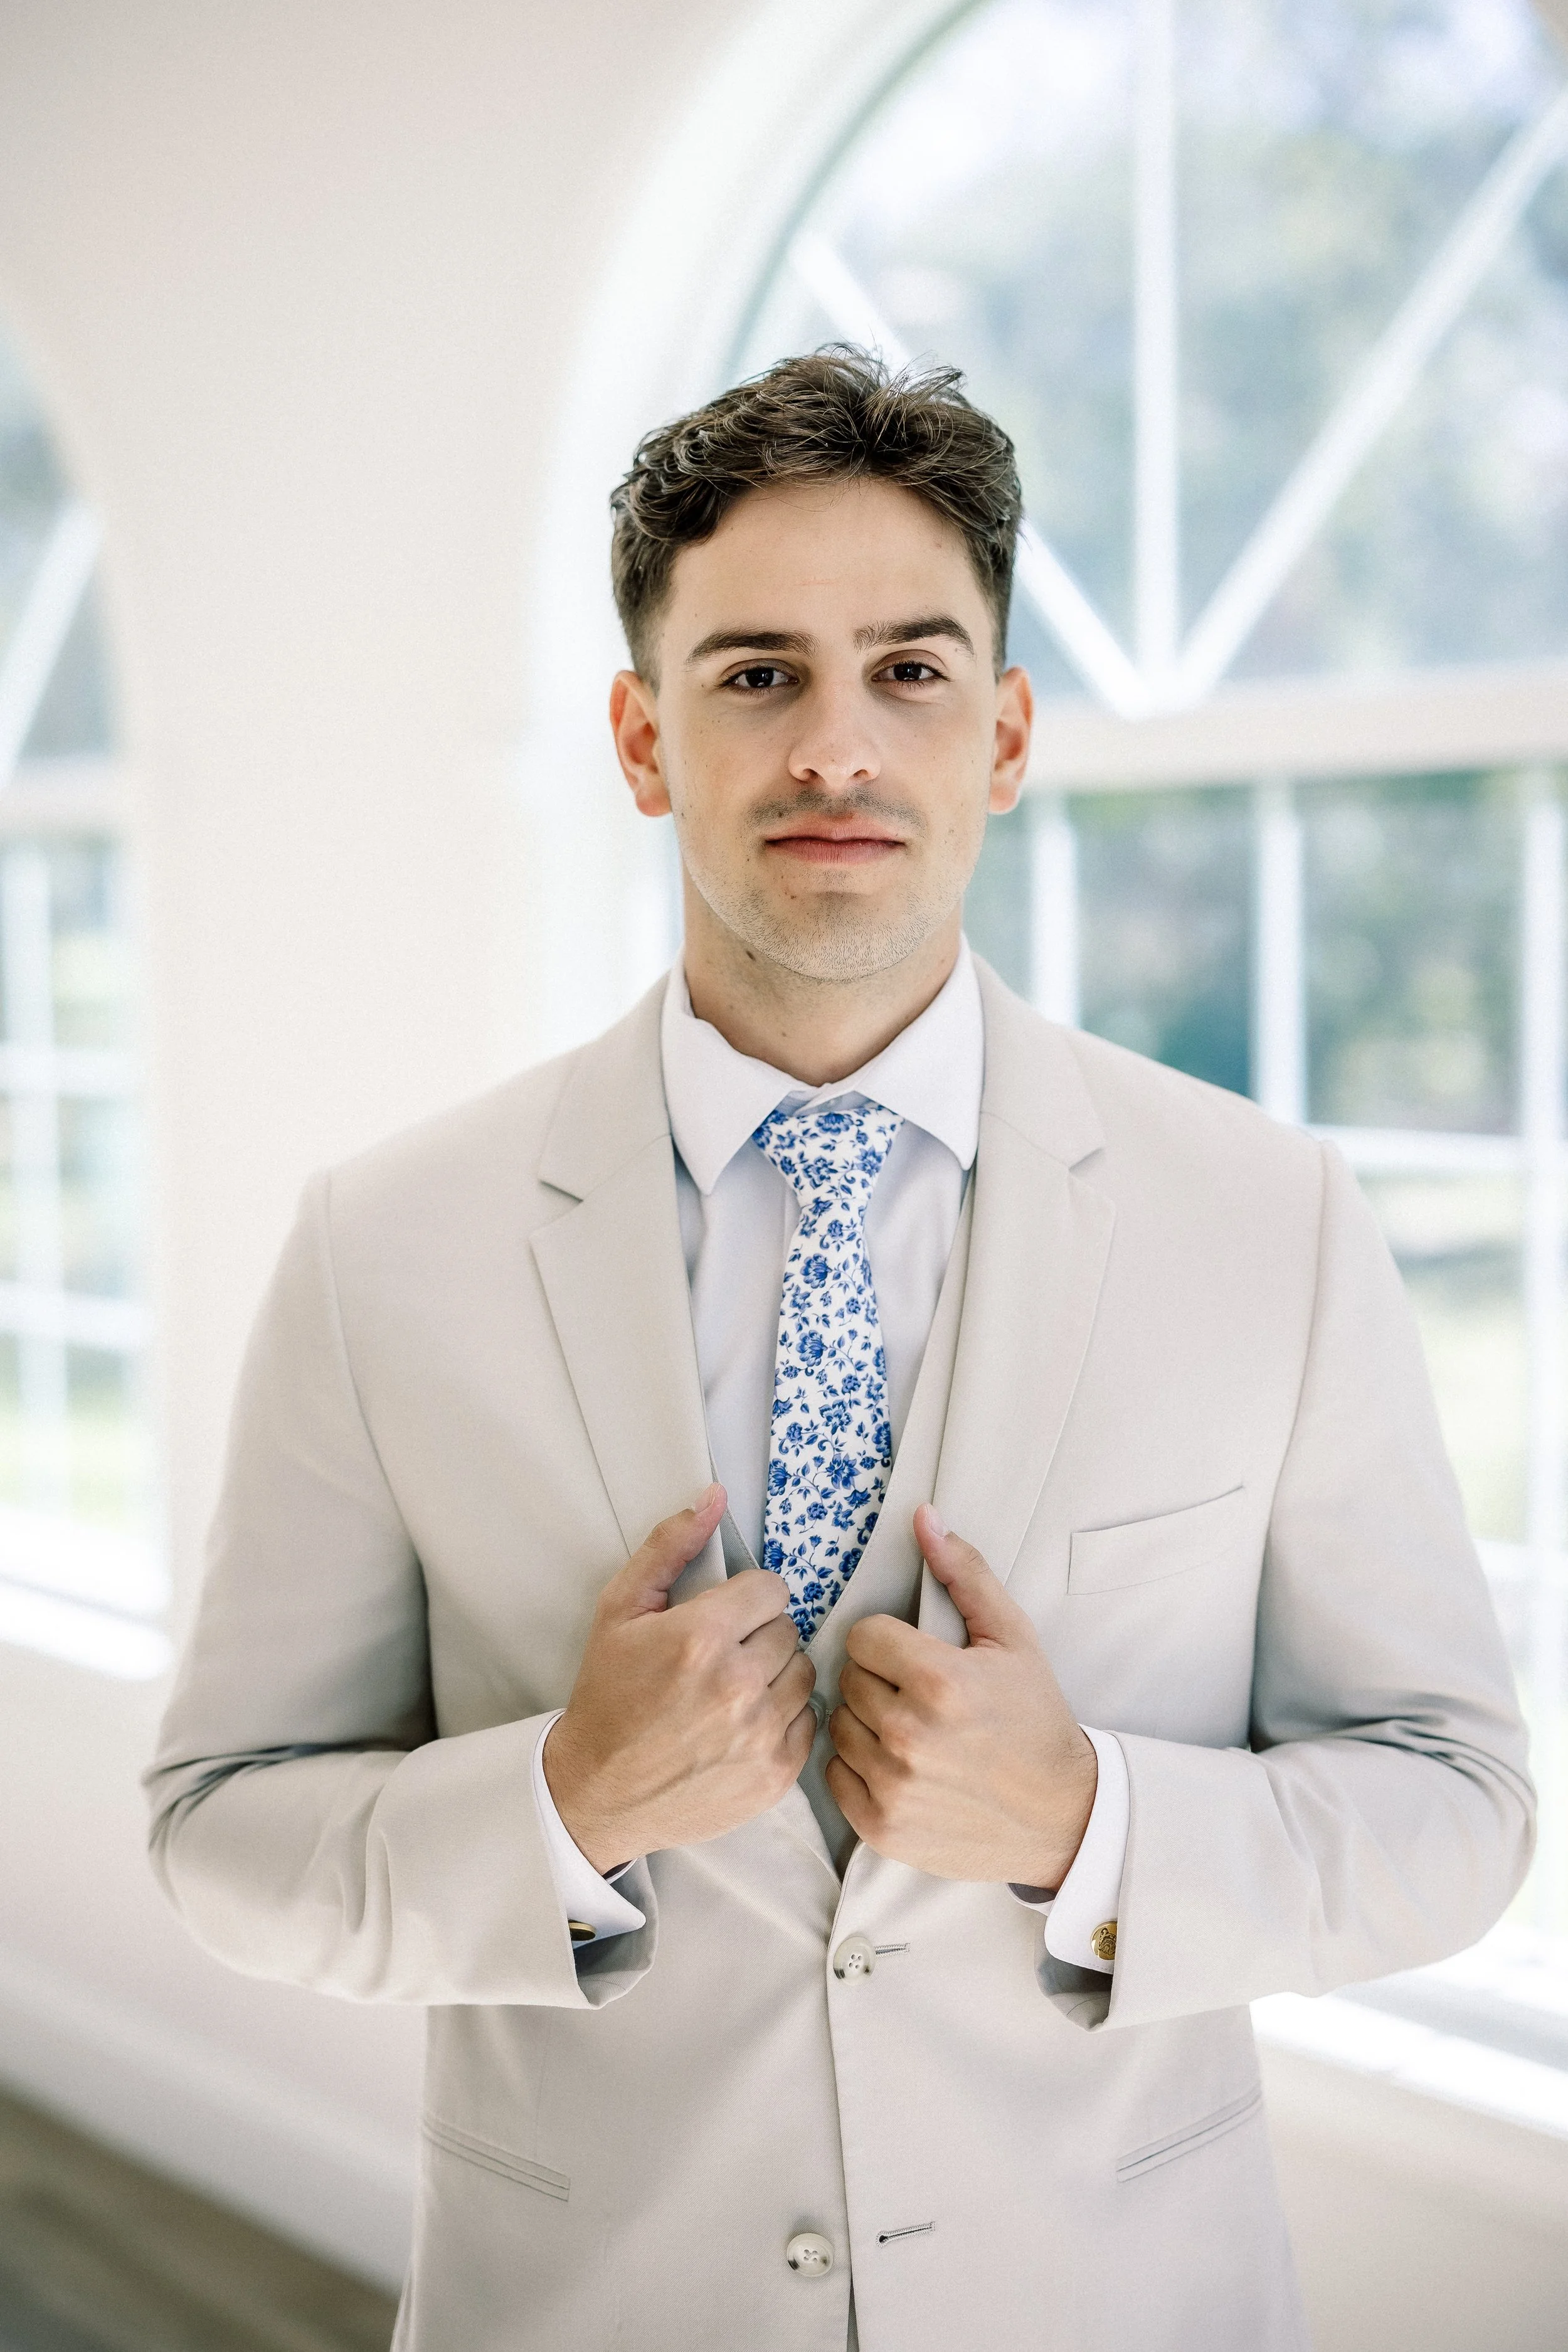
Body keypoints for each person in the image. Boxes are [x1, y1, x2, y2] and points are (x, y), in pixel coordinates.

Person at [146, 348, 1534, 2352]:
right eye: (755, 673)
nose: (834, 745)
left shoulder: (1271, 1222)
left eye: (907, 668)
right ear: (642, 739)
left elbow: (1454, 1805)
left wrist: (1088, 1823)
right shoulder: (387, 1247)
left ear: (1005, 731)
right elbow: (220, 1828)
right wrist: (559, 1800)